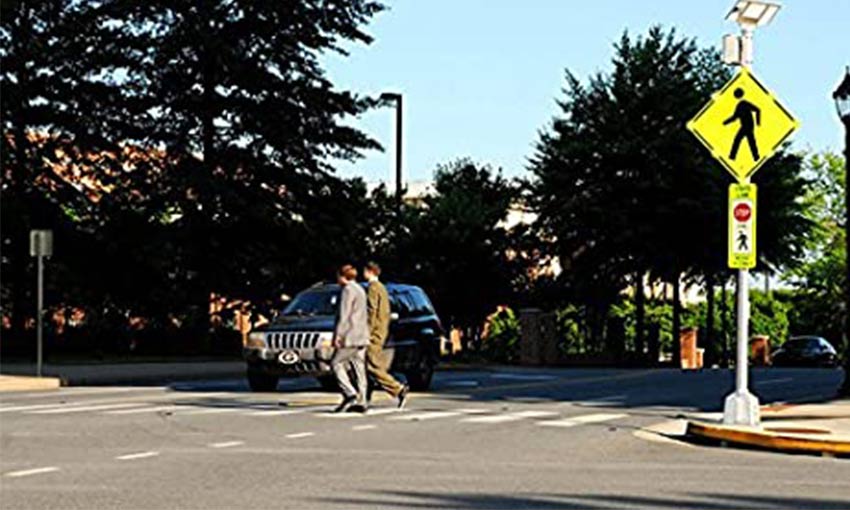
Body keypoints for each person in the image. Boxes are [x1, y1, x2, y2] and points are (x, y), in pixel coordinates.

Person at [363, 262, 409, 409]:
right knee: (366, 365)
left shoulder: (373, 288)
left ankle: (397, 388)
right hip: (382, 329)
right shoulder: (382, 288)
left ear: (369, 272)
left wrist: (367, 331)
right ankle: (365, 394)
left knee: (372, 365)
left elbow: (372, 311)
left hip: (375, 332)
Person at [331, 264, 369, 413]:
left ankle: (349, 393)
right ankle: (363, 400)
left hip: (350, 335)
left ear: (342, 276)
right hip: (362, 334)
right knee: (359, 367)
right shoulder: (360, 289)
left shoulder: (347, 290)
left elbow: (344, 315)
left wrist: (338, 335)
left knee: (336, 363)